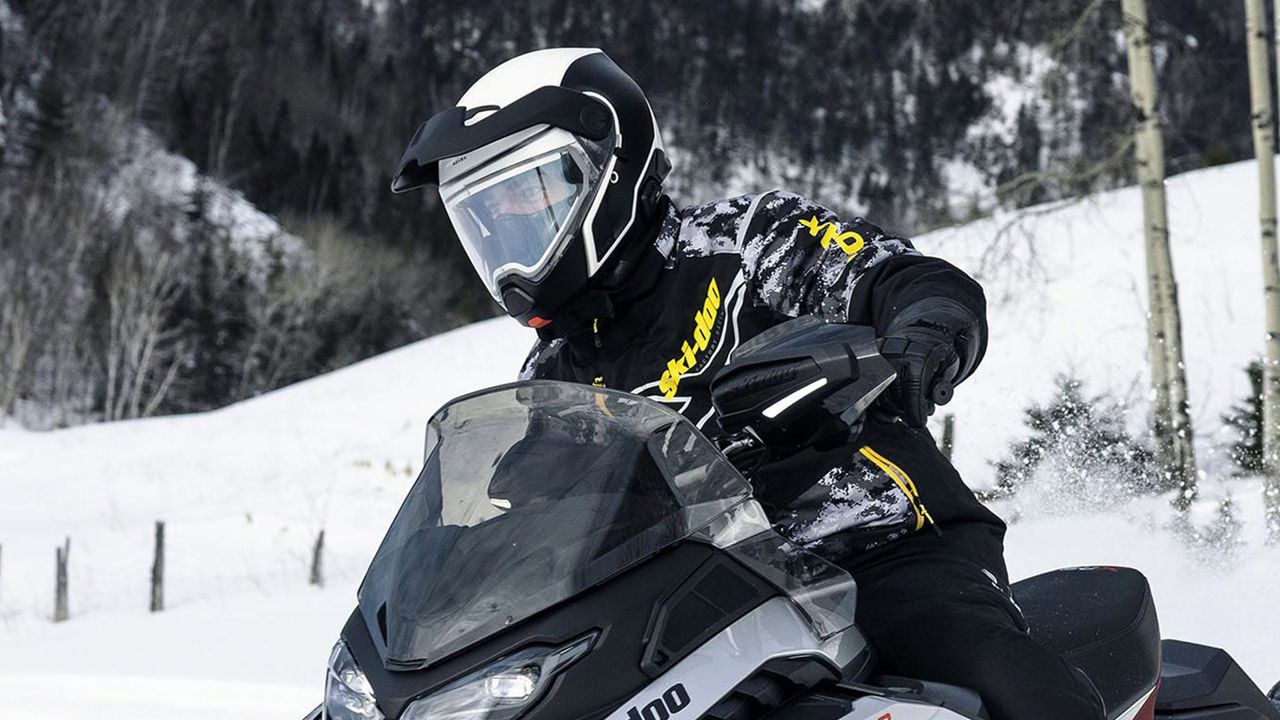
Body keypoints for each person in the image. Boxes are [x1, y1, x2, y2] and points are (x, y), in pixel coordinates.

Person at [391, 47, 1105, 720]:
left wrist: (926, 326)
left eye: (531, 206)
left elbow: (895, 276)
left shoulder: (748, 244)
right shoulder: (551, 376)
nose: (513, 257)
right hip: (689, 608)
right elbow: (544, 531)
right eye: (491, 226)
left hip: (876, 550)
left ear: (612, 173)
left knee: (994, 673)